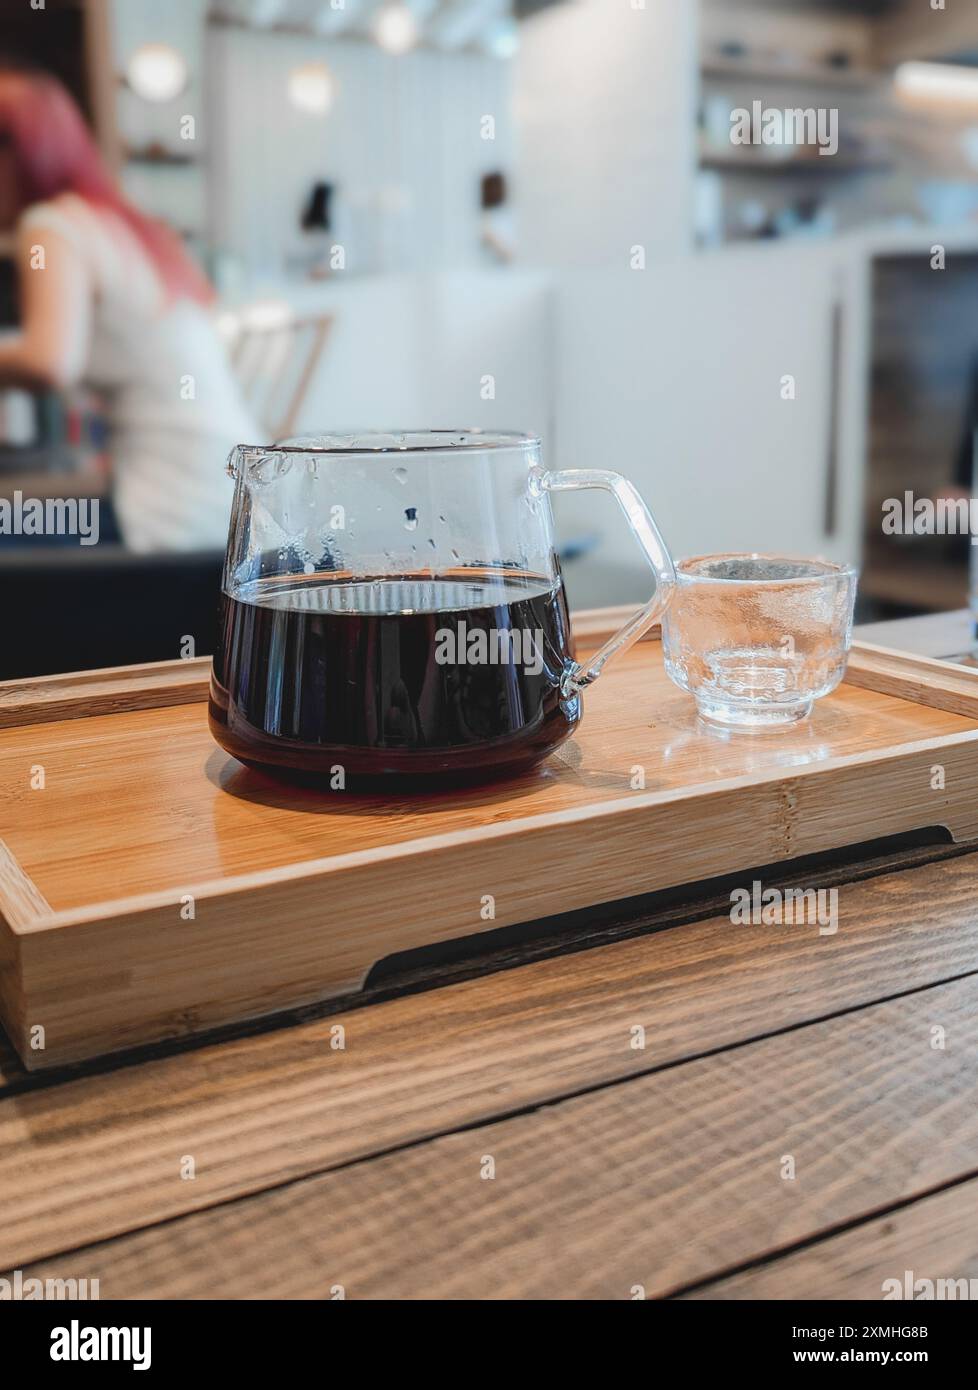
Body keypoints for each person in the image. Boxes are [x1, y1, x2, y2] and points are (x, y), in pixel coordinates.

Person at [0, 65, 260, 552]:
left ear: (19, 151)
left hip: (175, 510)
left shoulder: (50, 224)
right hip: (237, 500)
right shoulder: (124, 225)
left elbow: (48, 360)